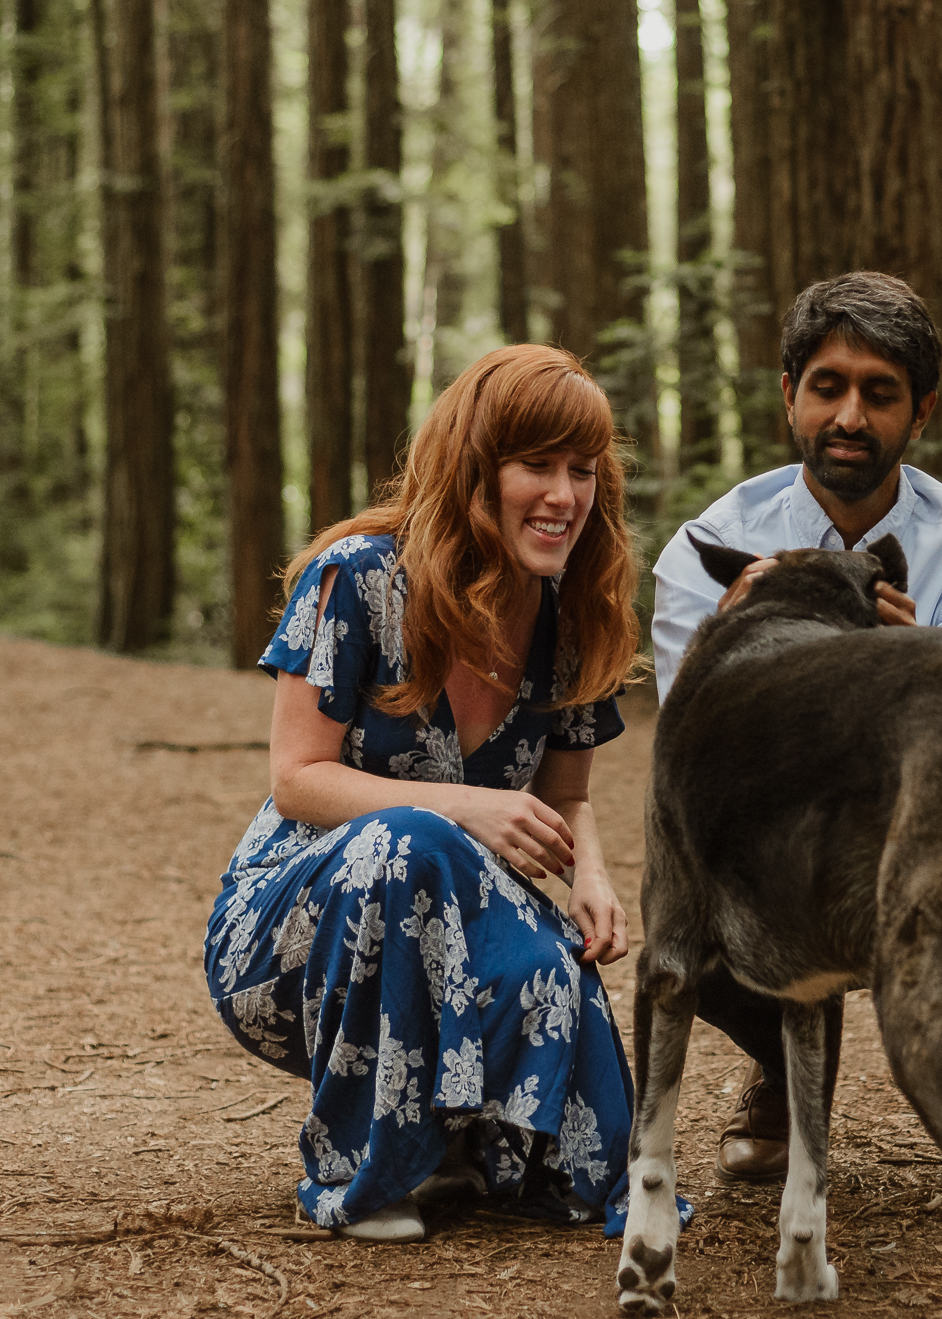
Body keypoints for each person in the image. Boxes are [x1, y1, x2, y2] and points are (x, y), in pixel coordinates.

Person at [648, 270, 942, 1236]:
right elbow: (692, 766)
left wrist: (892, 663)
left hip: (931, 855)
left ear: (922, 411)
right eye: (827, 385)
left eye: (880, 392)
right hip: (782, 860)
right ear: (789, 395)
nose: (849, 414)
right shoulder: (713, 546)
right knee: (695, 869)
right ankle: (779, 1068)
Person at [204, 345, 645, 1243]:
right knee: (405, 840)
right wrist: (463, 804)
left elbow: (571, 799)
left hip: (460, 926)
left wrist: (592, 877)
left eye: (582, 470)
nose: (564, 495)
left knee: (560, 990)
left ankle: (459, 1138)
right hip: (292, 938)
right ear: (473, 467)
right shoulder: (359, 578)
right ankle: (366, 1164)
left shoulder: (576, 613)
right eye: (536, 465)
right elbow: (297, 780)